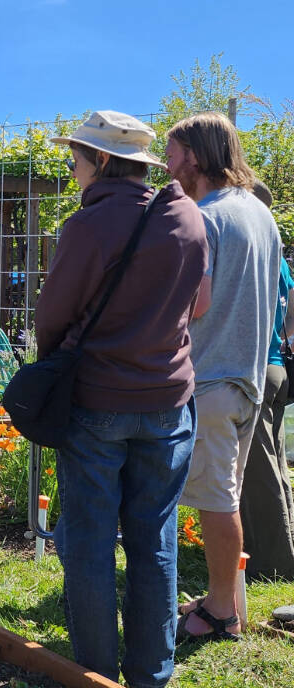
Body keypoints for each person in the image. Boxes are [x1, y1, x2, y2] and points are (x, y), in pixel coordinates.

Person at [35, 110, 206, 688]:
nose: (73, 169)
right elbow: (196, 305)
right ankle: (152, 674)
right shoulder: (185, 215)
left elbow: (50, 318)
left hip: (98, 400)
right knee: (154, 538)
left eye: (77, 159)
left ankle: (94, 674)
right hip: (169, 398)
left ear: (102, 161)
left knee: (87, 540)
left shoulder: (87, 225)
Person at [166, 111, 281, 645]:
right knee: (225, 492)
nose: (167, 167)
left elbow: (195, 302)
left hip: (209, 376)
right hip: (248, 378)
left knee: (217, 500)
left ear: (195, 156)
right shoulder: (261, 215)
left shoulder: (205, 216)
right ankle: (228, 600)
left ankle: (221, 614)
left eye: (173, 154)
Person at [237, 180, 294, 579]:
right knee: (275, 467)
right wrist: (283, 338)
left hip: (254, 367)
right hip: (278, 366)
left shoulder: (252, 246)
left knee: (258, 473)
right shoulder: (281, 257)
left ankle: (276, 566)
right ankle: (277, 548)